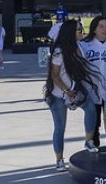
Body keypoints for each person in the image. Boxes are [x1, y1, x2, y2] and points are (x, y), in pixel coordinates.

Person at [43, 19, 101, 172]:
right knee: (60, 127)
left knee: (91, 109)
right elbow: (55, 75)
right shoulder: (59, 51)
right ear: (70, 33)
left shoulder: (79, 47)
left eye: (82, 29)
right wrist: (66, 92)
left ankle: (88, 141)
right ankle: (59, 160)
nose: (81, 32)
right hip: (58, 94)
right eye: (78, 30)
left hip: (76, 91)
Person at [79, 16, 106, 147]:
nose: (104, 29)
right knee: (94, 121)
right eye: (100, 26)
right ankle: (92, 146)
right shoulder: (84, 45)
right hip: (92, 89)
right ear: (94, 29)